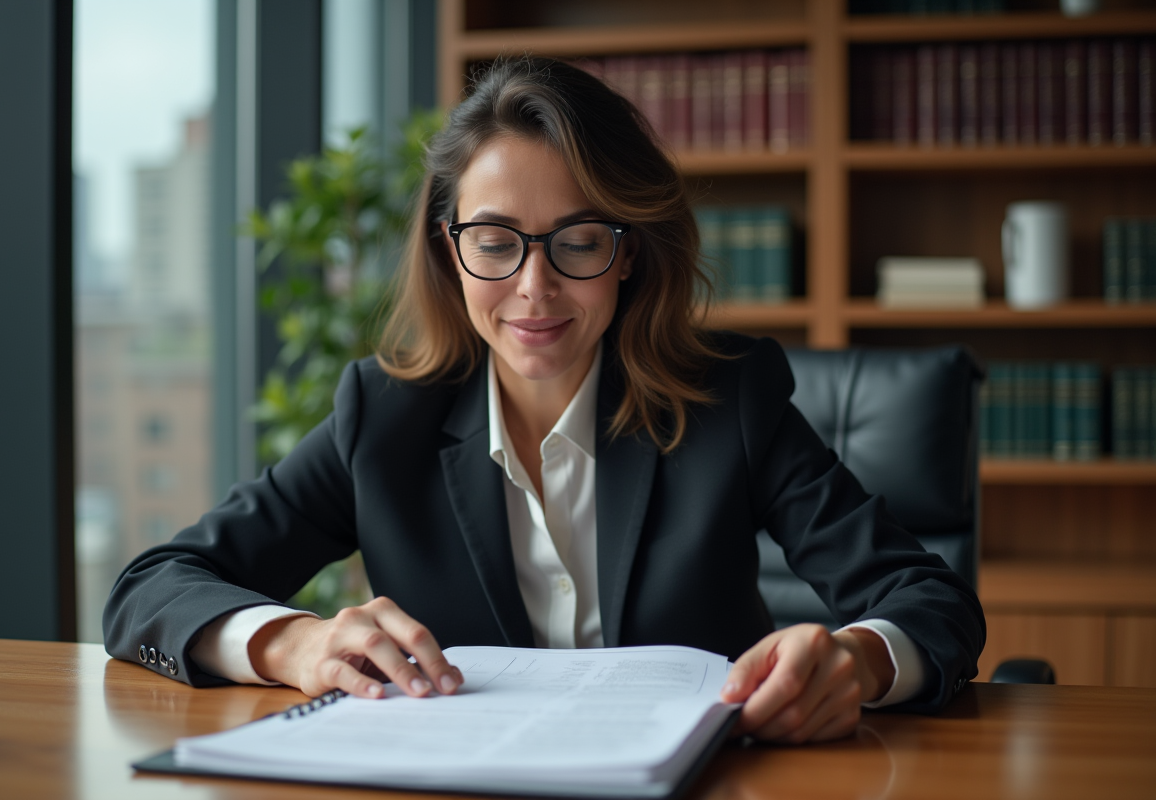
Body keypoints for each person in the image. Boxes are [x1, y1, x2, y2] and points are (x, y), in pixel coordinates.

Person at [104, 56, 984, 744]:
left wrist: (859, 662)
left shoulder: (729, 404)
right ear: (452, 251)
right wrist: (293, 645)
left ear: (629, 251)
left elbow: (930, 603)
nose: (535, 288)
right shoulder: (384, 419)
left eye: (578, 241)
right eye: (495, 241)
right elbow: (150, 589)